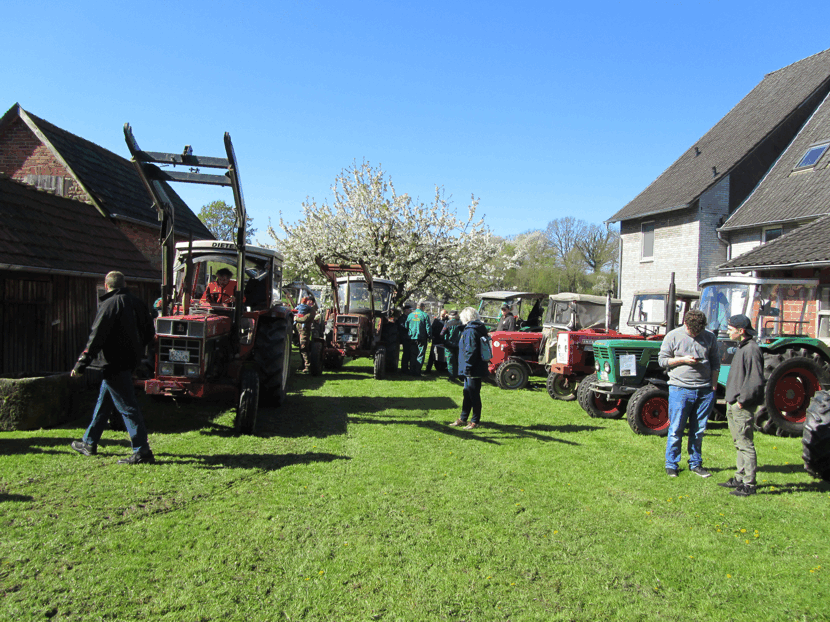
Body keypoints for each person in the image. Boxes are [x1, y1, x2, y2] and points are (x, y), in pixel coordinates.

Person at [70, 271, 156, 464]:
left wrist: (81, 364)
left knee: (127, 406)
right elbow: (149, 332)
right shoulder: (138, 303)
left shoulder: (109, 304)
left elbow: (96, 336)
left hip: (113, 362)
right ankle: (89, 442)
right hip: (131, 361)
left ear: (106, 285)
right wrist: (136, 350)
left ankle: (142, 450)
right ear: (124, 284)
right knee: (105, 402)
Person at [658, 309, 720, 478]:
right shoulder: (673, 336)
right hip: (680, 388)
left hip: (704, 390)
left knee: (698, 430)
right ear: (685, 323)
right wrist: (683, 360)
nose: (695, 334)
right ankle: (671, 464)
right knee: (676, 428)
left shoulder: (710, 337)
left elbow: (715, 362)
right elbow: (662, 360)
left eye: (698, 331)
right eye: (692, 331)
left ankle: (695, 463)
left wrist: (713, 386)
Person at [720, 314, 764, 496]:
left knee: (745, 444)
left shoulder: (752, 349)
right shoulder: (742, 347)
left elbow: (755, 381)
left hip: (741, 406)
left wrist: (741, 402)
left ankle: (749, 484)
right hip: (733, 403)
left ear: (741, 331)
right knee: (739, 442)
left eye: (731, 329)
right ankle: (740, 477)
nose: (728, 332)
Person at [449, 307, 489, 430]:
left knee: (474, 394)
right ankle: (463, 418)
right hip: (472, 366)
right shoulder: (474, 329)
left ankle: (475, 421)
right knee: (467, 393)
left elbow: (470, 350)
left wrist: (467, 367)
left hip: (472, 368)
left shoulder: (471, 330)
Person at [406, 300, 430, 376]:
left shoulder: (410, 315)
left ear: (417, 307)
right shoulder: (425, 315)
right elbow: (428, 328)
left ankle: (412, 370)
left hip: (412, 337)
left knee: (413, 354)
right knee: (420, 354)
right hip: (421, 337)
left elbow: (406, 326)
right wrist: (429, 336)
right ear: (423, 307)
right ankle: (417, 371)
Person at [294, 296, 318, 372]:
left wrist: (296, 318)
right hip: (299, 330)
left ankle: (307, 366)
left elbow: (305, 319)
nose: (308, 302)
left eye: (309, 301)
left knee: (304, 347)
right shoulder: (305, 309)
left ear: (312, 302)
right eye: (307, 301)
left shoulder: (312, 310)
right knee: (301, 348)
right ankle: (303, 364)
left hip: (304, 331)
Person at [441, 309, 463, 381]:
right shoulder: (461, 323)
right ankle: (460, 376)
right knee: (459, 360)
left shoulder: (447, 323)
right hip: (459, 345)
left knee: (450, 362)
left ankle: (452, 377)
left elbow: (442, 333)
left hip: (449, 345)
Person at [425, 309, 448, 373]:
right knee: (432, 354)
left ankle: (442, 367)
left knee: (443, 355)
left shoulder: (447, 321)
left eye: (444, 314)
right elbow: (432, 328)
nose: (442, 315)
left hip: (443, 340)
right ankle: (428, 369)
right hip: (436, 339)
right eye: (442, 314)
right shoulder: (436, 320)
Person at [397, 305, 412, 375]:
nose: (410, 311)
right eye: (409, 309)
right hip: (405, 338)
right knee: (406, 353)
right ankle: (404, 368)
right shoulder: (402, 318)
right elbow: (402, 326)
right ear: (406, 310)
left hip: (408, 337)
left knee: (408, 353)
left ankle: (407, 367)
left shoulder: (408, 317)